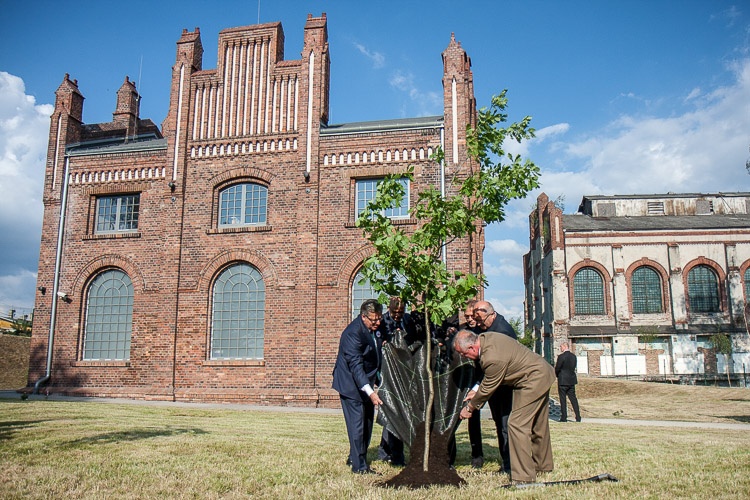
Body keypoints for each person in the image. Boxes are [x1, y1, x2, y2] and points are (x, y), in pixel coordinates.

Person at [454, 329, 556, 485]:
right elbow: (488, 380)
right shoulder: (486, 338)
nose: (463, 357)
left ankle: (524, 477)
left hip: (533, 379)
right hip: (539, 373)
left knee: (516, 424)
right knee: (538, 424)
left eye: (463, 354)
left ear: (472, 348)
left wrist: (469, 408)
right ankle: (543, 466)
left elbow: (488, 387)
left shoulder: (492, 358)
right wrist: (476, 390)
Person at [332, 299, 384, 474]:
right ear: (363, 317)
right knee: (358, 425)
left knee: (367, 424)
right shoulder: (352, 333)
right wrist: (370, 392)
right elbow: (356, 366)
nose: (377, 323)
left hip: (366, 381)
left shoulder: (376, 327)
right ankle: (359, 467)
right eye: (373, 320)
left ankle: (354, 456)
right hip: (350, 384)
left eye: (379, 319)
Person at [471, 300, 516, 473]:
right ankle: (507, 461)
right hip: (495, 385)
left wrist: (477, 389)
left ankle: (511, 465)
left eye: (481, 321)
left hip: (505, 385)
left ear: (491, 314)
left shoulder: (502, 332)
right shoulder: (488, 327)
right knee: (499, 423)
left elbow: (497, 365)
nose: (479, 325)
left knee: (506, 425)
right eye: (477, 321)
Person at [376, 297, 416, 467]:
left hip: (404, 373)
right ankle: (393, 454)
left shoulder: (408, 321)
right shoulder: (382, 322)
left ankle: (385, 451)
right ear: (389, 308)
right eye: (395, 312)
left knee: (397, 413)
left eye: (401, 312)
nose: (398, 315)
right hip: (388, 375)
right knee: (392, 411)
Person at [555, 342, 581, 422]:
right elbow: (574, 366)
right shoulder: (573, 356)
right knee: (573, 398)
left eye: (561, 347)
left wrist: (557, 375)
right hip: (571, 379)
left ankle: (564, 417)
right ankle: (578, 416)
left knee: (563, 399)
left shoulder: (561, 357)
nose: (560, 348)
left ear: (564, 346)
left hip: (563, 380)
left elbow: (557, 368)